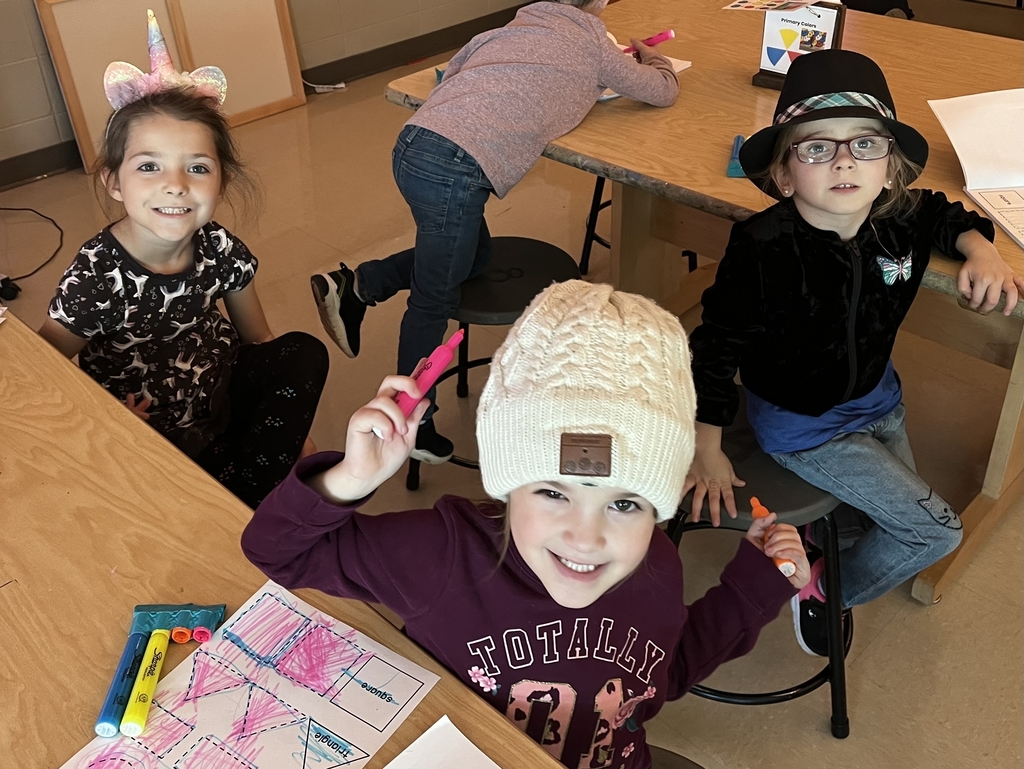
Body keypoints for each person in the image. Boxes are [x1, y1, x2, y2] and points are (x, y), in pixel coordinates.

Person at [243, 280, 810, 769]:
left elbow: (665, 671)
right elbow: (277, 552)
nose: (586, 539)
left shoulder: (653, 561)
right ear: (509, 480)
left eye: (626, 503)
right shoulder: (443, 554)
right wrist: (350, 478)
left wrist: (755, 583)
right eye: (552, 492)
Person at [684, 50, 1024, 656]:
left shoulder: (900, 217)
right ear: (785, 175)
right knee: (934, 534)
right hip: (801, 426)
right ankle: (819, 590)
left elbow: (946, 214)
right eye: (817, 147)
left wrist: (982, 249)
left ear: (890, 167)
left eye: (865, 144)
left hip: (878, 401)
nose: (844, 161)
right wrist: (705, 446)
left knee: (875, 519)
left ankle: (823, 536)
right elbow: (714, 344)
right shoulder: (763, 246)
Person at [310, 0, 680, 465]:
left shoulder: (503, 30)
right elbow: (662, 92)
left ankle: (362, 283)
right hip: (456, 169)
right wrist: (650, 55)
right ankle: (411, 422)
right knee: (433, 300)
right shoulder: (594, 46)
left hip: (414, 144)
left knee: (475, 256)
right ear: (601, 3)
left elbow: (448, 75)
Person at [39, 12, 328, 508]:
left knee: (303, 351)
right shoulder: (96, 276)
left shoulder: (218, 248)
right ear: (114, 181)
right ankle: (235, 497)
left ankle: (246, 485)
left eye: (197, 167)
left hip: (219, 403)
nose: (175, 184)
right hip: (148, 434)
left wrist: (291, 429)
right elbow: (45, 368)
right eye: (149, 166)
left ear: (221, 182)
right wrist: (110, 423)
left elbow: (258, 340)